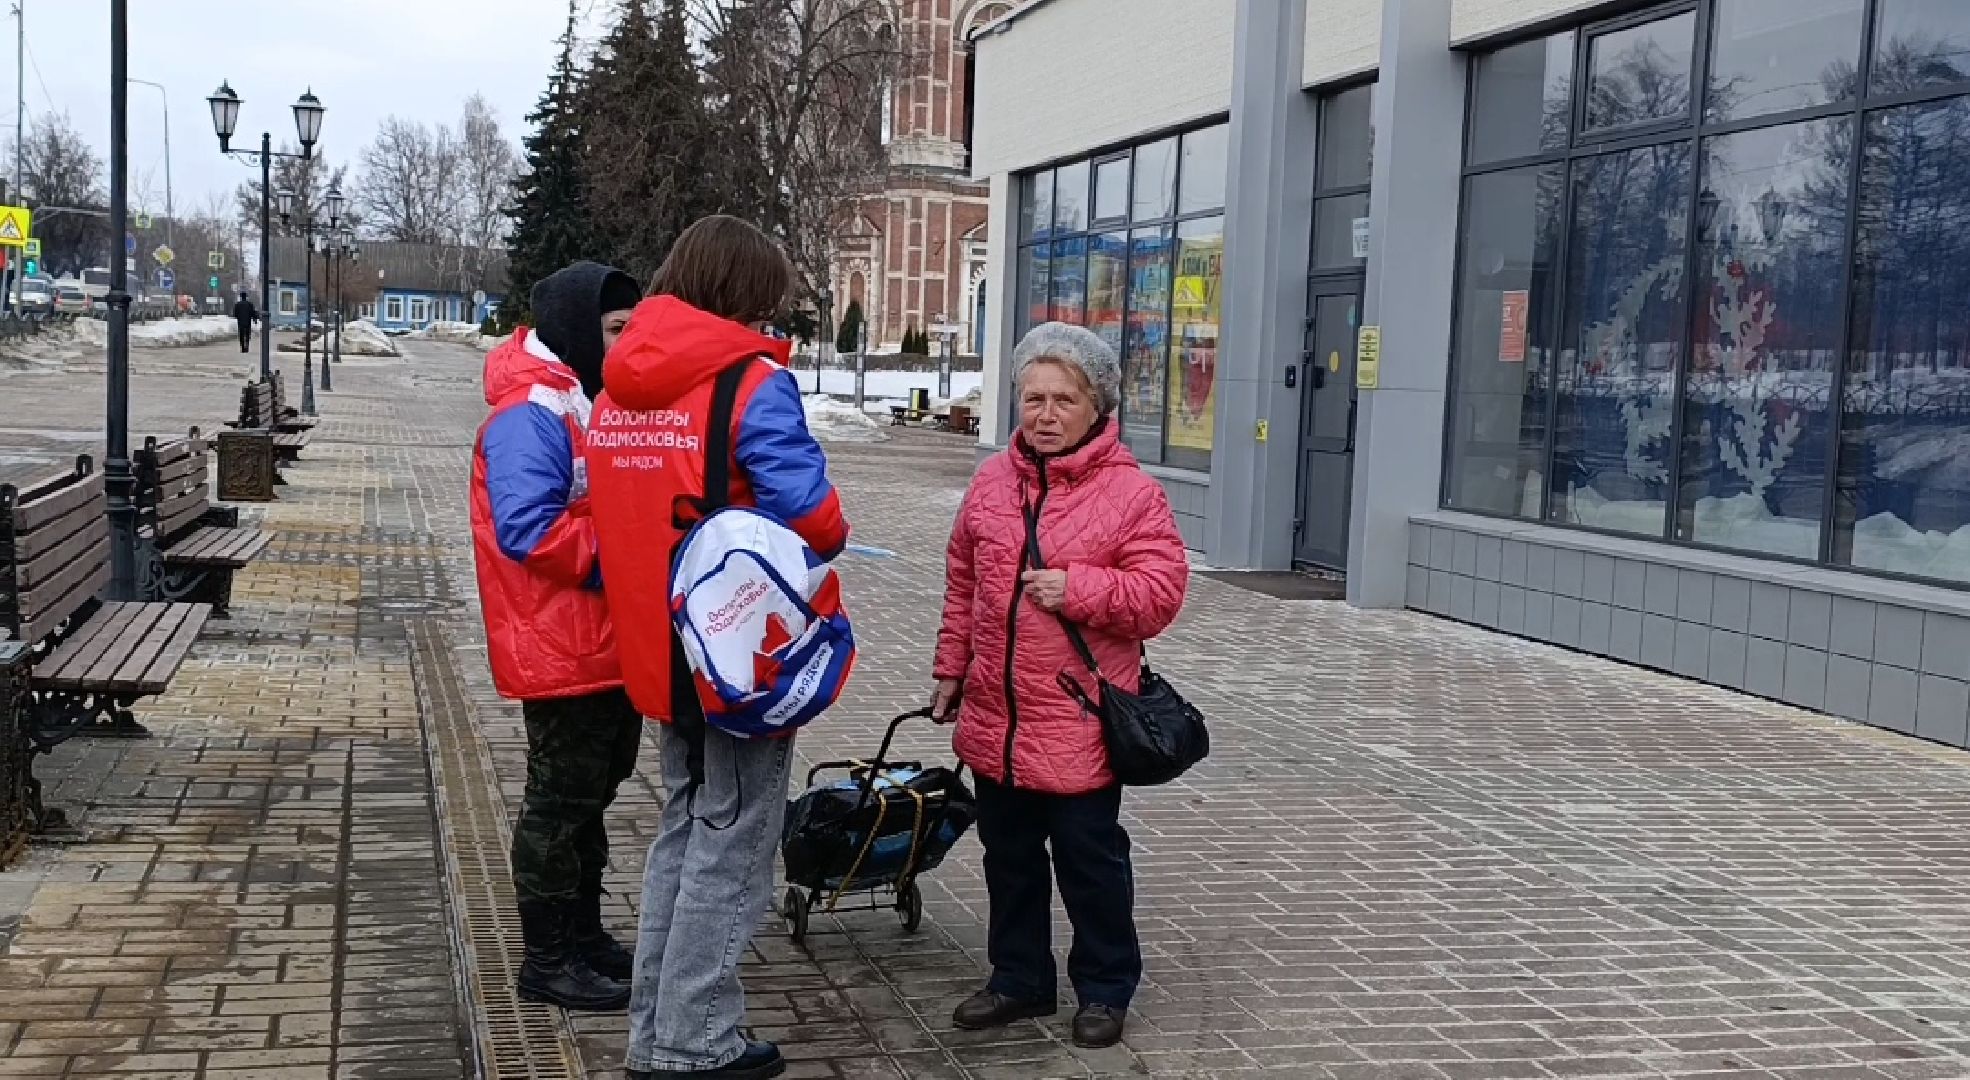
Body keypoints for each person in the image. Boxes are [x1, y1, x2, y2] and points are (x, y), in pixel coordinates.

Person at [586, 215, 847, 1080]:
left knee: (682, 830)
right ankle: (695, 1042)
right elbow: (813, 517)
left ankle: (655, 1033)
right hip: (737, 655)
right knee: (734, 844)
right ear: (744, 294)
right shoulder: (749, 381)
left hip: (660, 648)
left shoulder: (618, 384)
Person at [930, 321, 1188, 1050]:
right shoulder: (989, 483)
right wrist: (951, 668)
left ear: (1097, 405)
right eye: (1031, 398)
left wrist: (1078, 588)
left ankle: (1105, 989)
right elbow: (963, 586)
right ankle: (1018, 980)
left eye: (1061, 400)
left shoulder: (1132, 495)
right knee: (1008, 858)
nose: (1043, 414)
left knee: (1090, 862)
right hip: (997, 714)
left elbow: (1160, 595)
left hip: (1076, 719)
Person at [470, 260, 646, 1012]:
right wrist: (629, 550)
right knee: (559, 802)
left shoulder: (576, 400)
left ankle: (581, 934)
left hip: (599, 643)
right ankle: (548, 961)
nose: (626, 342)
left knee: (591, 796)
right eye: (614, 329)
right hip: (560, 646)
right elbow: (529, 529)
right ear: (576, 330)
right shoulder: (529, 414)